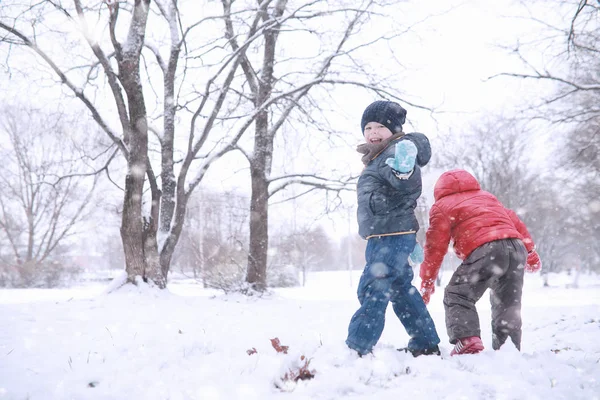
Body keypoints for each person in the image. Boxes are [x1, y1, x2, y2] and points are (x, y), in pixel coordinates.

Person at [345, 100, 441, 357]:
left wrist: (404, 169)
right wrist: (410, 239)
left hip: (388, 235)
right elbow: (402, 202)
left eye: (380, 127)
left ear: (394, 129)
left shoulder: (395, 152)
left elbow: (406, 186)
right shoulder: (377, 158)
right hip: (389, 234)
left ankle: (358, 345)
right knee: (401, 290)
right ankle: (425, 342)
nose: (373, 132)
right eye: (368, 127)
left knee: (372, 286)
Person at [419, 169, 542, 356]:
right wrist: (531, 252)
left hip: (486, 248)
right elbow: (514, 220)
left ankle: (467, 339)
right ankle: (508, 348)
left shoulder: (442, 206)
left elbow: (435, 247)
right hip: (516, 248)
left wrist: (427, 281)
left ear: (440, 191)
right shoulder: (487, 197)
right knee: (507, 302)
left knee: (457, 294)